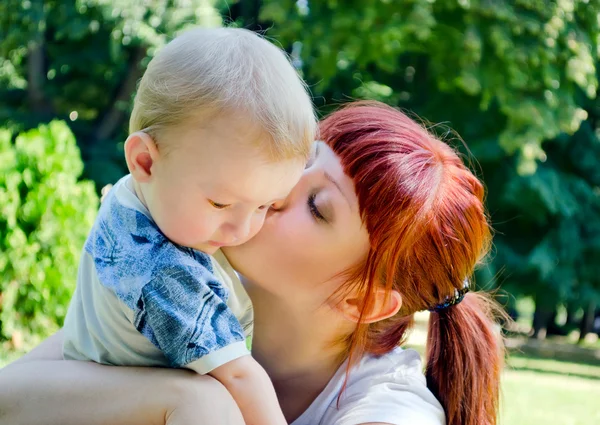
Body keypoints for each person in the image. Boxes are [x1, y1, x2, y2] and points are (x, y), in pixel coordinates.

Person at [0, 101, 504, 425]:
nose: (281, 189)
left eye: (317, 207)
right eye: (304, 161)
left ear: (364, 299)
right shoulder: (189, 287)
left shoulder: (389, 412)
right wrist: (179, 399)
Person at [60, 26, 316, 425]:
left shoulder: (138, 197)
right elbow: (241, 377)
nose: (241, 229)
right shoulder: (159, 267)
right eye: (220, 202)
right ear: (144, 160)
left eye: (266, 205)